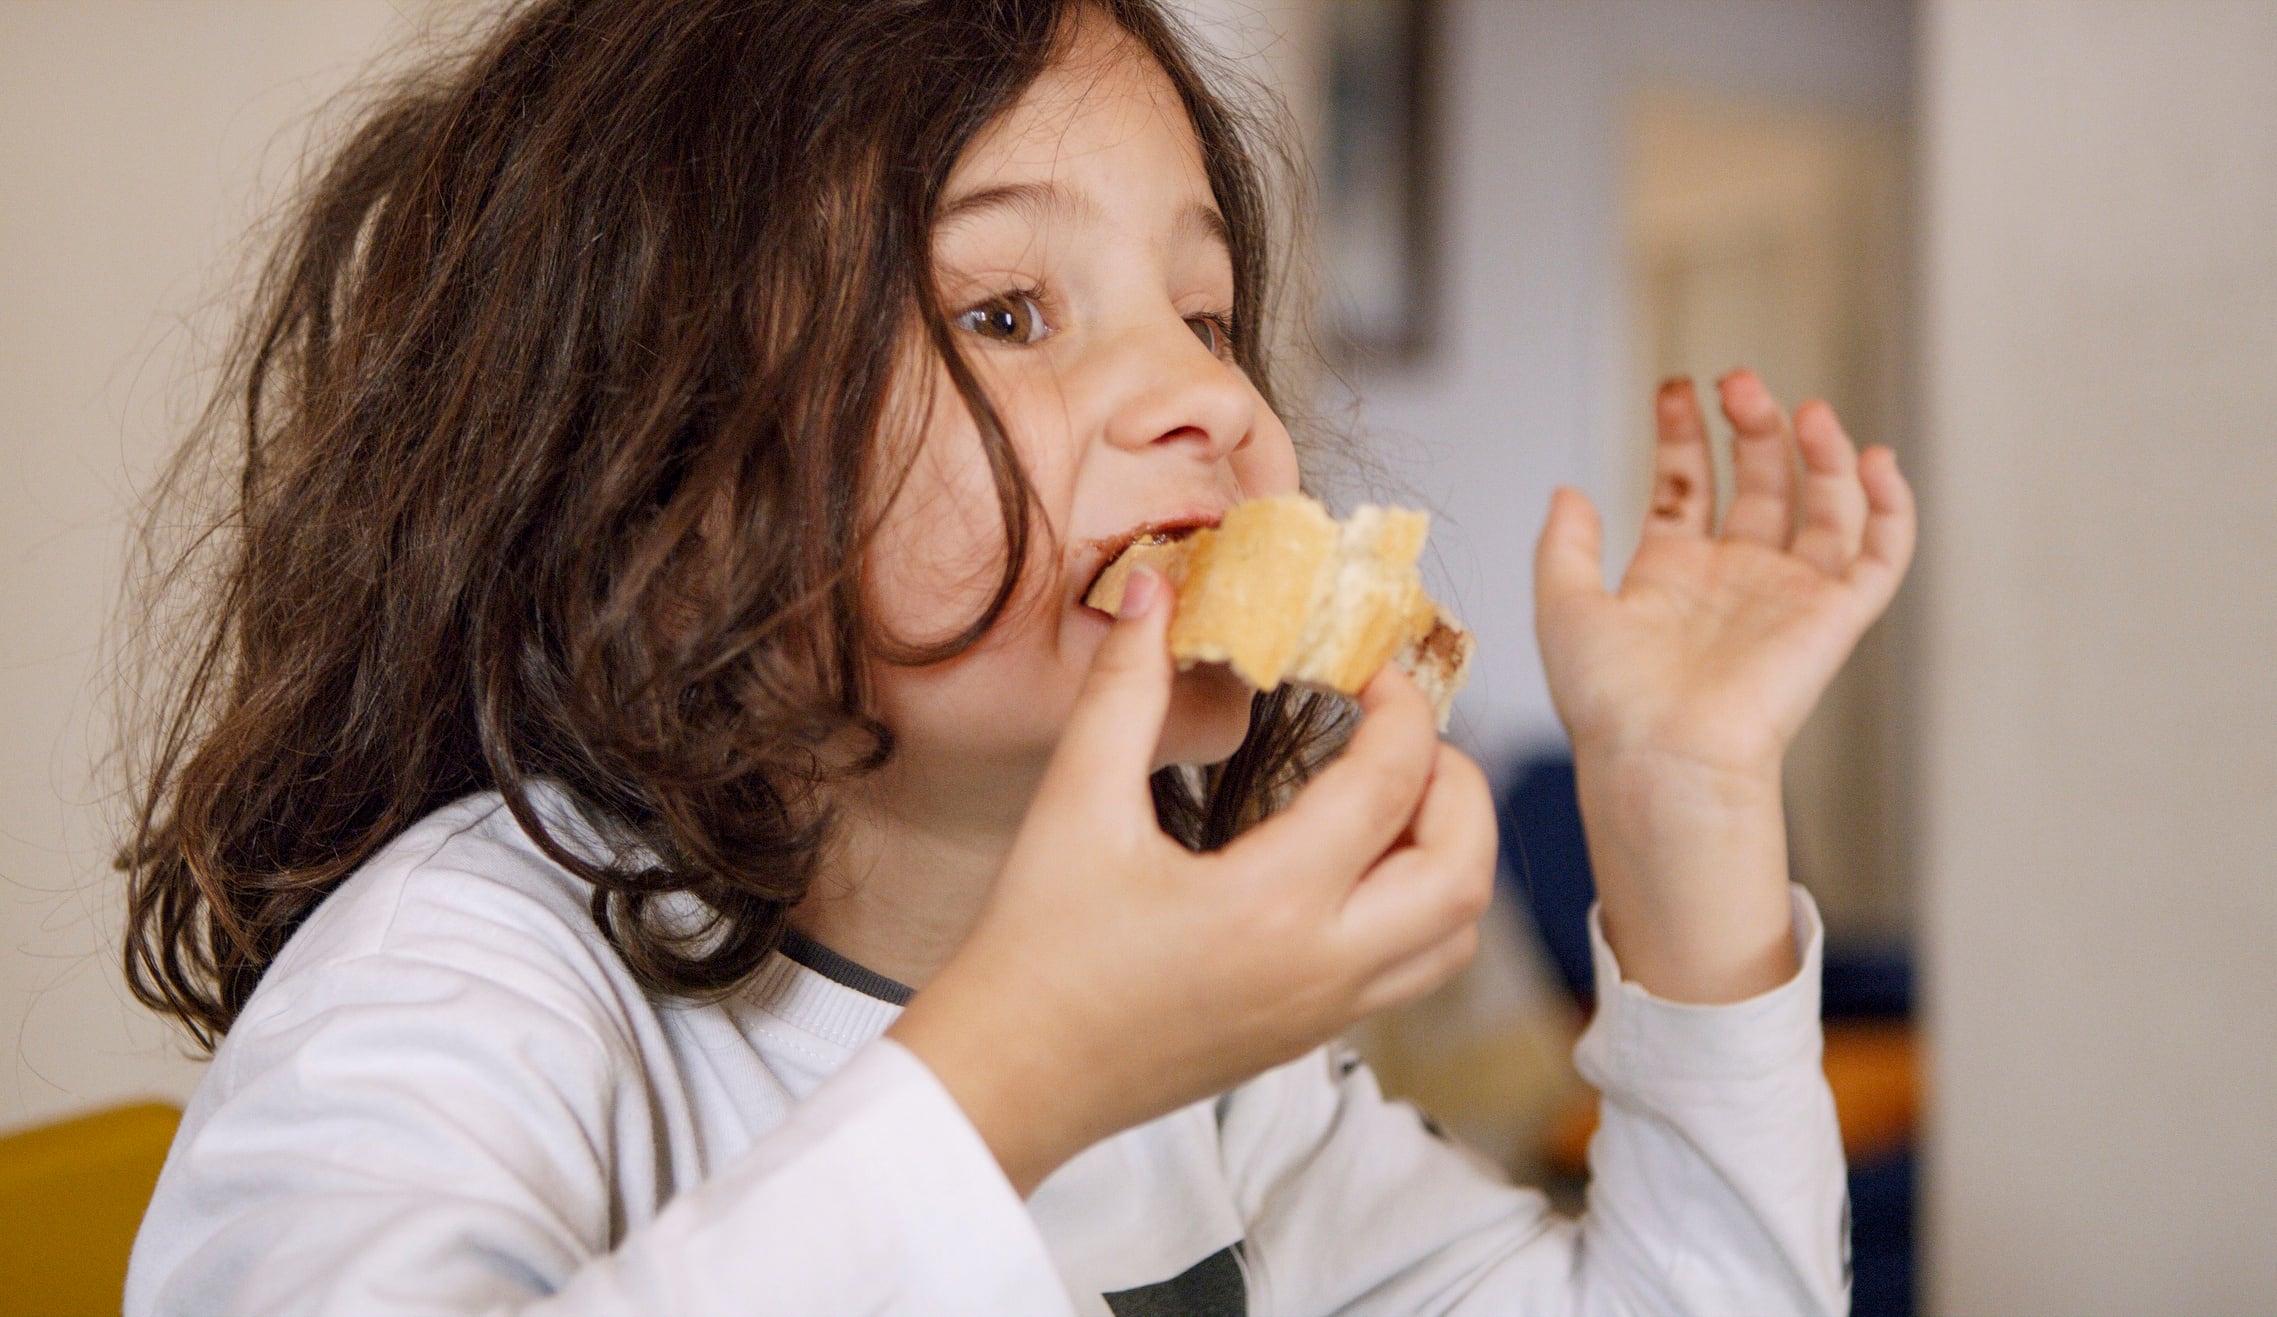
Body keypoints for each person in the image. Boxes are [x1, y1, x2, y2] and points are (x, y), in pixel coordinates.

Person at [116, 1, 1914, 1313]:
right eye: (1003, 311)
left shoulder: (1217, 1071)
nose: (1214, 394)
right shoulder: (468, 985)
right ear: (651, 483)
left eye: (1205, 314)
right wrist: (1024, 1068)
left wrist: (1682, 808)